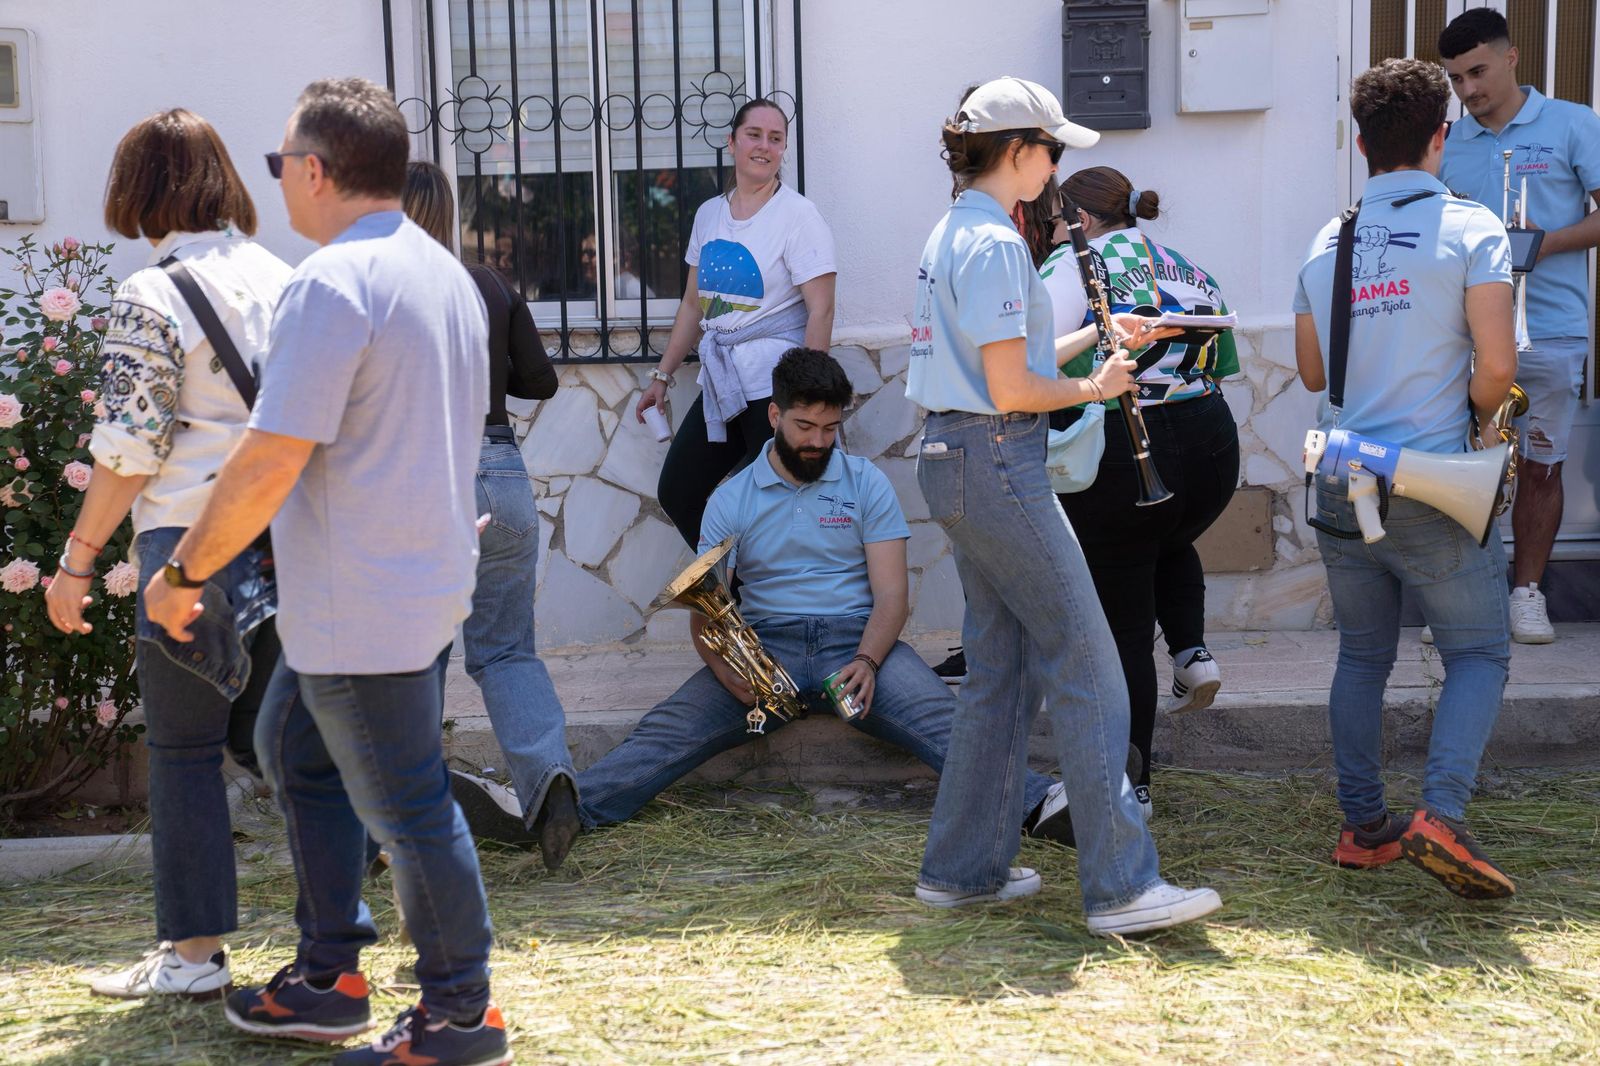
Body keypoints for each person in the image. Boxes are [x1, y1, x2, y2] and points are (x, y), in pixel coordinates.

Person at [142, 79, 510, 1065]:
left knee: (408, 802)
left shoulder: (333, 283)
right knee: (296, 749)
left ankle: (458, 1015)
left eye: (279, 164)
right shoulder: (440, 275)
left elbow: (269, 457)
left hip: (362, 598)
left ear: (314, 169)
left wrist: (182, 573)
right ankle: (329, 971)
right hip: (410, 580)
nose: (279, 184)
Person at [905, 75, 1220, 934]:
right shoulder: (1002, 245)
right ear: (1017, 151)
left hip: (958, 458)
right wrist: (1098, 382)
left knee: (999, 675)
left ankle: (962, 872)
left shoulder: (955, 231)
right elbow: (1013, 385)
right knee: (1089, 667)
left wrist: (1101, 338)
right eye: (1049, 149)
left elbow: (999, 360)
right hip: (999, 460)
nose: (1055, 165)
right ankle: (1121, 886)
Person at [576, 348, 1081, 856]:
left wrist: (867, 660)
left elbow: (891, 596)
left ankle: (1044, 807)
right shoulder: (729, 500)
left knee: (946, 725)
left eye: (829, 428)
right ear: (774, 415)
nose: (817, 441)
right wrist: (727, 669)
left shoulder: (867, 483)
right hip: (765, 652)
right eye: (804, 426)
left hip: (857, 645)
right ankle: (566, 810)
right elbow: (708, 604)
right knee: (665, 732)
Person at [44, 109, 289, 1002]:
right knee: (290, 744)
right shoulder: (284, 277)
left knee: (185, 752)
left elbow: (128, 447)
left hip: (189, 544)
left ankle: (192, 960)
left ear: (139, 190)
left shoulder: (152, 295)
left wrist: (76, 561)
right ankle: (339, 941)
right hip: (289, 535)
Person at [1293, 58, 1518, 899]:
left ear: (1359, 144)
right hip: (1430, 479)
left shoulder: (1326, 237)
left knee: (1360, 657)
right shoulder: (1473, 229)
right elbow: (1496, 366)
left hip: (1340, 471)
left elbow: (1314, 373)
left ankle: (1365, 828)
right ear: (1442, 134)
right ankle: (1442, 817)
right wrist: (1479, 413)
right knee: (1479, 651)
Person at [1039, 165, 1242, 816]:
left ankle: (1136, 786)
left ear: (1081, 219)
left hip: (1137, 440)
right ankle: (1192, 651)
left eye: (1053, 221)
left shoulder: (1076, 263)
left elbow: (1028, 357)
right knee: (1171, 535)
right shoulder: (1186, 265)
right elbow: (1225, 361)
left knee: (1123, 618)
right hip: (1213, 440)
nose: (1049, 234)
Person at [402, 160, 580, 870]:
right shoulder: (490, 282)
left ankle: (401, 821)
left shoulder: (383, 290)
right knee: (507, 651)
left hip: (428, 475)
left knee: (416, 658)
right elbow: (541, 380)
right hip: (502, 475)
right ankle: (553, 786)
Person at [1438, 8, 1600, 644]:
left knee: (1541, 466)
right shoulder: (1446, 141)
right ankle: (1464, 599)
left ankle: (1526, 594)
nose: (1468, 89)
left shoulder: (1573, 122)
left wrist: (1542, 244)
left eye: (1477, 71)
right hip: (1463, 337)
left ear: (1511, 57)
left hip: (1554, 327)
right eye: (1454, 79)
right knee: (1461, 465)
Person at [634, 98, 838, 549]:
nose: (764, 146)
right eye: (754, 135)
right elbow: (693, 305)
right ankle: (735, 606)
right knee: (679, 492)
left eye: (776, 138)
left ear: (784, 149)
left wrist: (807, 400)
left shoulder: (799, 217)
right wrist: (662, 377)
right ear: (732, 143)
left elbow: (821, 310)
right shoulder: (710, 215)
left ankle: (770, 610)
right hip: (724, 384)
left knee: (769, 506)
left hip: (777, 387)